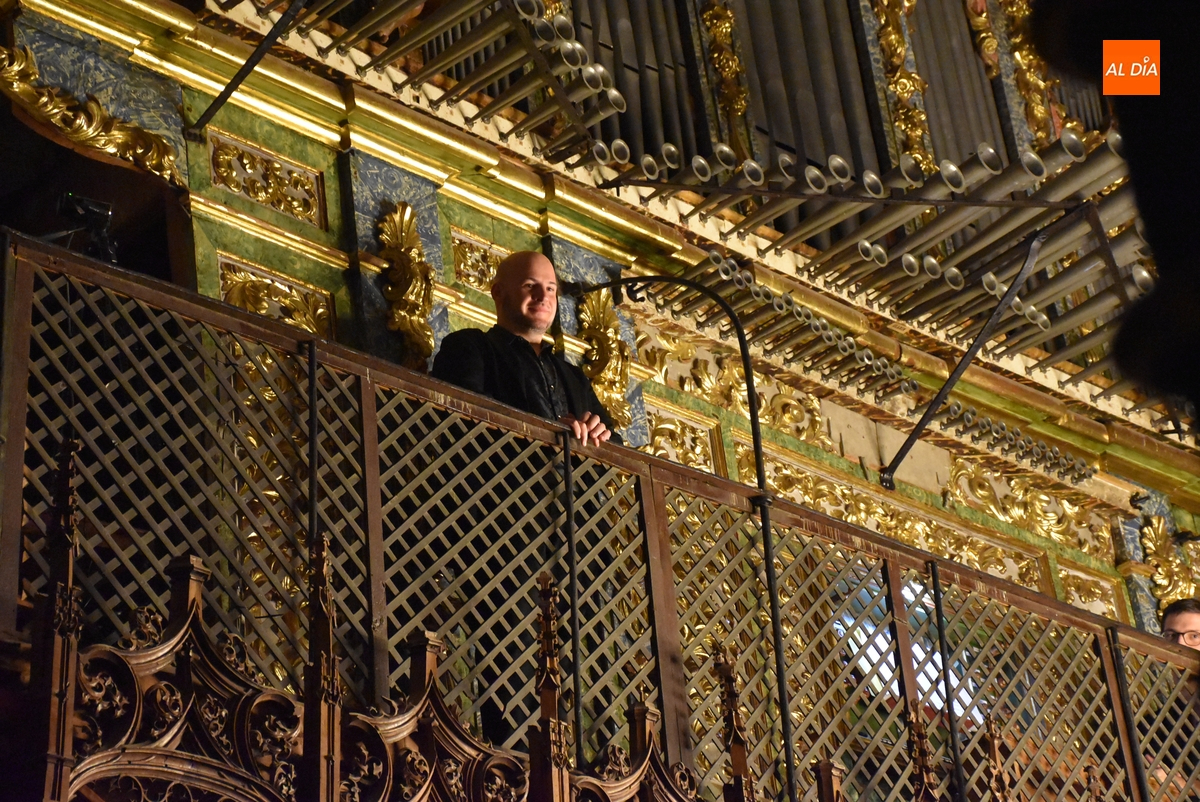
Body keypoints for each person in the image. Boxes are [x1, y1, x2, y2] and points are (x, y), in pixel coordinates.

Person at [432, 250, 621, 445]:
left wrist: (597, 436)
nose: (543, 296)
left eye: (550, 289)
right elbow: (461, 423)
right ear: (498, 292)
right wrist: (550, 433)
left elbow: (616, 444)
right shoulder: (469, 346)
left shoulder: (575, 377)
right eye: (530, 285)